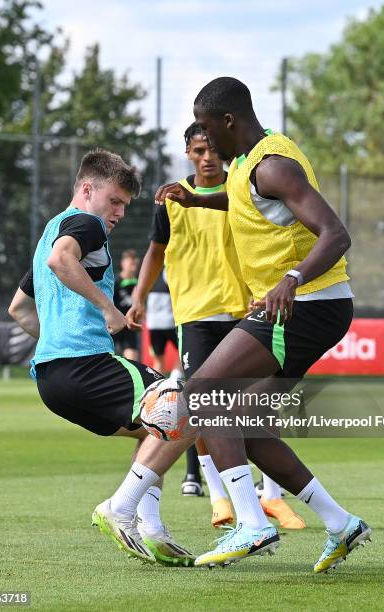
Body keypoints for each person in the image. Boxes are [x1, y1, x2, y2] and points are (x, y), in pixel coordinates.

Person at [153, 77, 371, 572]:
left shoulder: (272, 164)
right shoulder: (248, 167)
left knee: (205, 393)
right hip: (305, 308)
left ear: (230, 121)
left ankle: (251, 525)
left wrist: (290, 279)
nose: (205, 141)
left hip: (303, 305)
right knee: (243, 425)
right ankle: (341, 524)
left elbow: (336, 233)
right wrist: (197, 201)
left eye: (208, 130)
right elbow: (247, 201)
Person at [8, 148, 194, 567]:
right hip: (87, 363)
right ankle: (123, 509)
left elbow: (18, 309)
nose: (119, 213)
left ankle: (153, 529)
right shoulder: (86, 224)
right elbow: (63, 259)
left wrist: (55, 341)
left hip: (51, 381)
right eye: (115, 201)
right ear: (87, 189)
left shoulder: (47, 235)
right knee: (187, 408)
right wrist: (108, 310)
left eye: (125, 206)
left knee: (155, 429)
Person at [129, 122, 303, 529]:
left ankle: (272, 497)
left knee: (259, 403)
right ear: (187, 153)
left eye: (211, 149)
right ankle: (222, 499)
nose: (207, 157)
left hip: (246, 308)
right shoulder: (171, 198)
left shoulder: (244, 188)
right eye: (198, 150)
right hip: (194, 313)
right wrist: (139, 296)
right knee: (206, 408)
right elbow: (156, 252)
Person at [145, 268, 181, 378]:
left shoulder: (149, 276)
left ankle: (156, 388)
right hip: (170, 323)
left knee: (158, 359)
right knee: (184, 353)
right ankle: (175, 379)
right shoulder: (170, 273)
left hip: (153, 325)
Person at [113, 249, 140, 361]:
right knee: (110, 361)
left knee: (132, 360)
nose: (133, 266)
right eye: (130, 263)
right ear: (122, 263)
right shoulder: (115, 282)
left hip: (129, 327)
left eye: (135, 263)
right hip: (114, 326)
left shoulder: (138, 283)